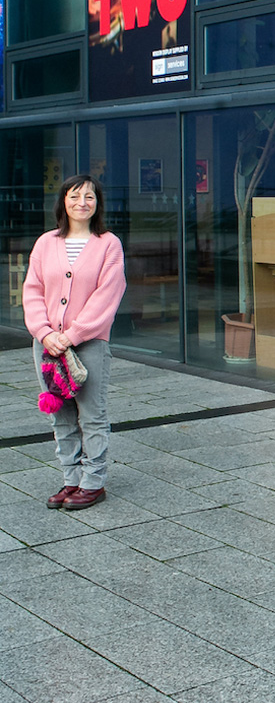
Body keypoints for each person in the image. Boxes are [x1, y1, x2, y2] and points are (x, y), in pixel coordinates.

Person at [23, 174, 126, 511]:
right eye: (75, 196)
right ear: (63, 202)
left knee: (92, 416)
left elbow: (107, 295)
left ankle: (93, 483)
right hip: (48, 345)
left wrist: (72, 335)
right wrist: (45, 332)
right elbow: (33, 291)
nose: (82, 203)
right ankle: (71, 479)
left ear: (97, 204)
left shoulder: (108, 243)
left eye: (90, 197)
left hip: (88, 344)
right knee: (61, 416)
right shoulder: (45, 243)